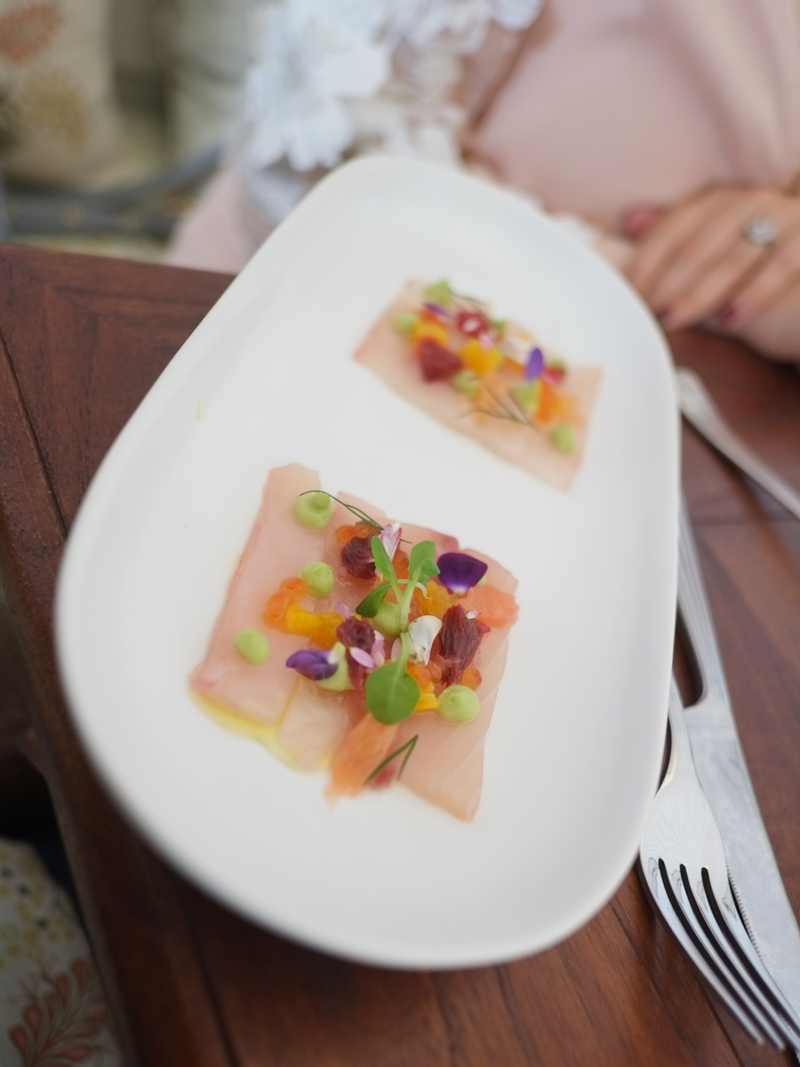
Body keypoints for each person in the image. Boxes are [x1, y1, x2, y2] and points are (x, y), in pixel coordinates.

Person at [168, 0, 800, 361]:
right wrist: (683, 287)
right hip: (290, 315)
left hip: (674, 406)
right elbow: (329, 140)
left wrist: (775, 239)